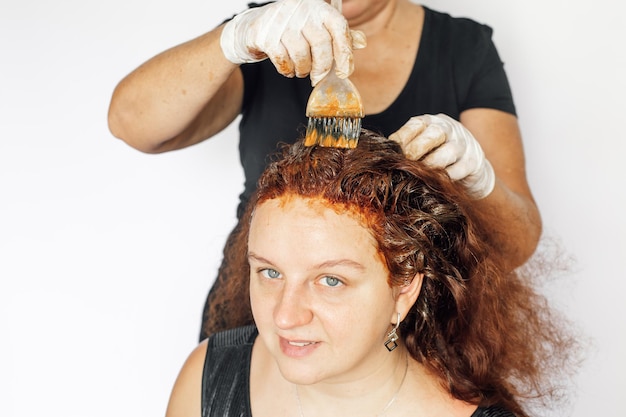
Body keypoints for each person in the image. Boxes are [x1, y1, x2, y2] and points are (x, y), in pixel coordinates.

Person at [107, 0, 542, 339]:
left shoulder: (463, 49)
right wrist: (235, 37)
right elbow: (131, 124)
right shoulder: (272, 35)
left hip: (418, 337)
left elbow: (517, 244)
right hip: (269, 314)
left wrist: (478, 183)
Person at [164, 132, 575, 417]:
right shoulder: (209, 376)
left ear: (404, 289)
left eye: (331, 281)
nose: (285, 317)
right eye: (270, 272)